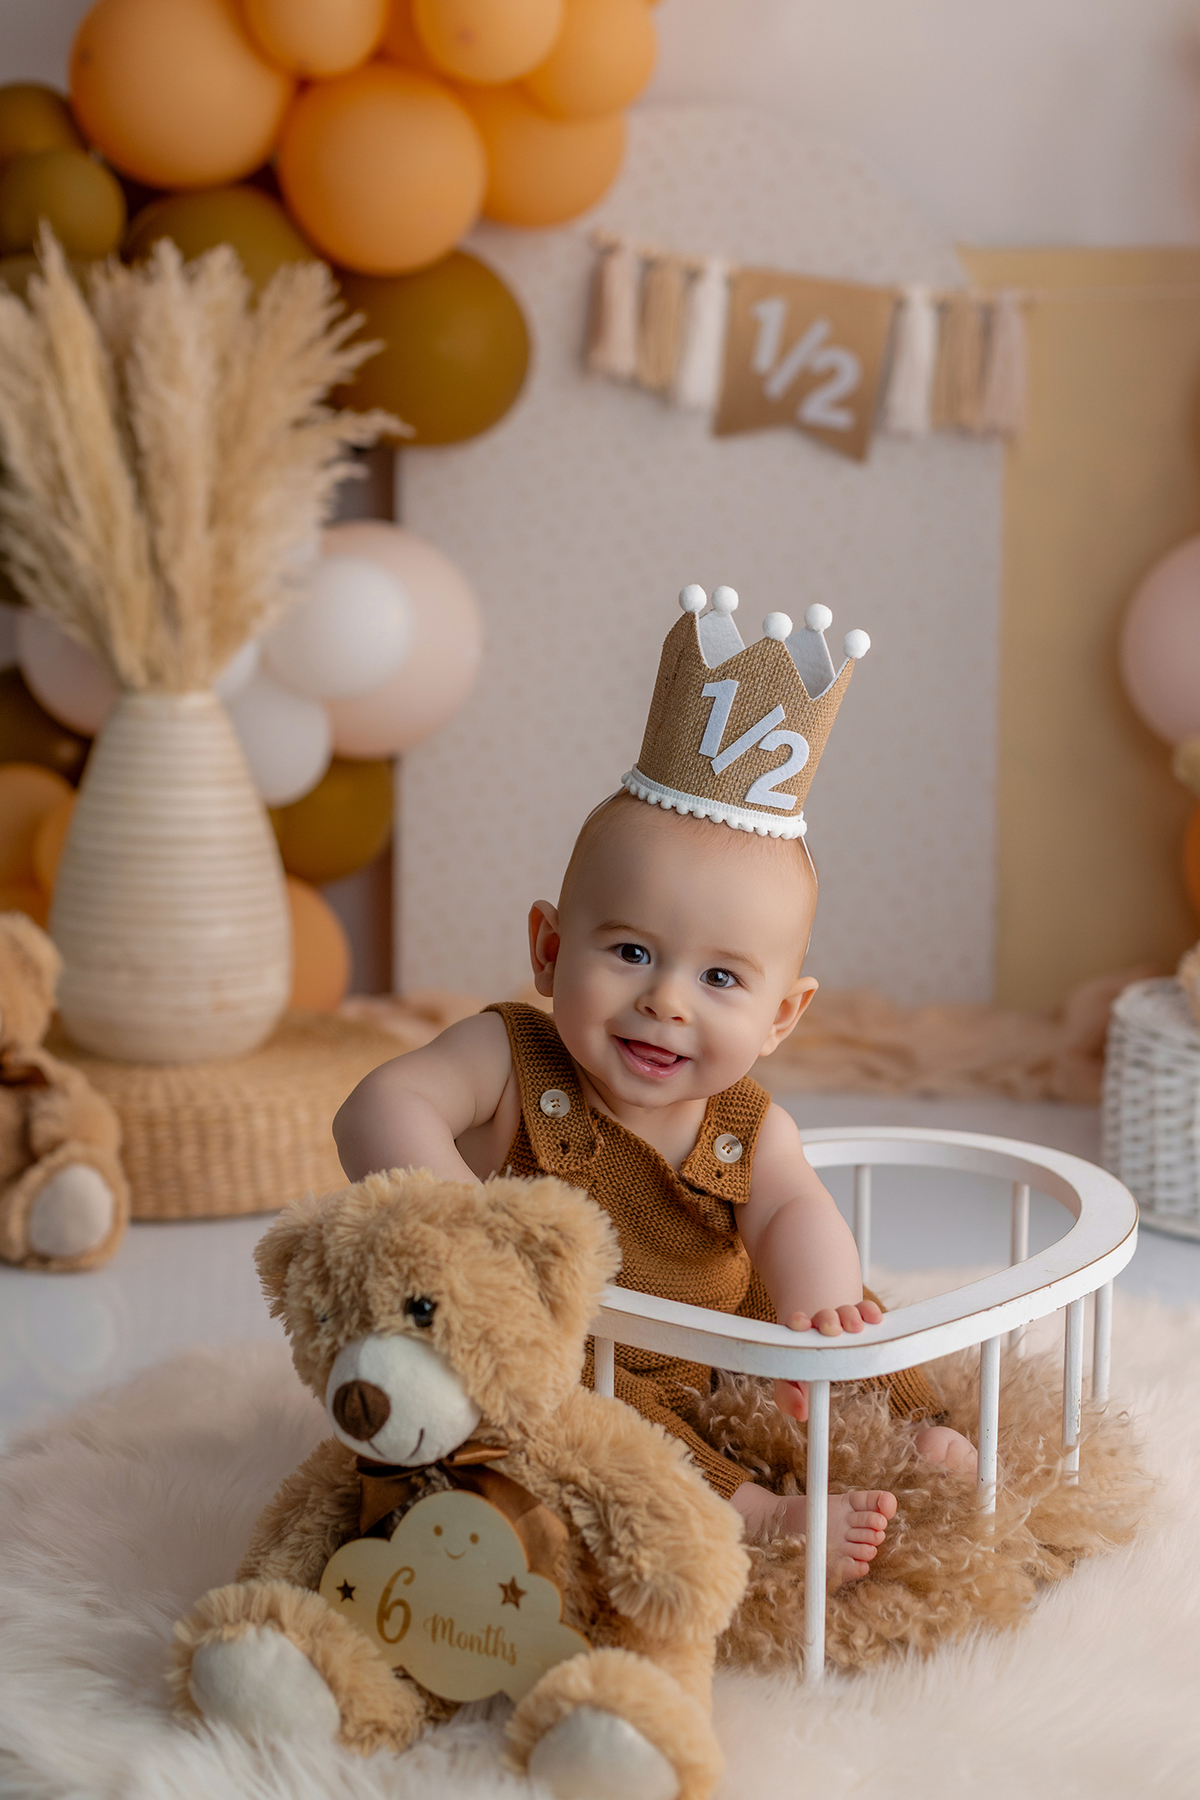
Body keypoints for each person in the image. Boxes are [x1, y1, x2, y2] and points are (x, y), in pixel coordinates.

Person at [334, 590, 978, 1588]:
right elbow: (377, 1106)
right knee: (586, 1425)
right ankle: (754, 1512)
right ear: (550, 949)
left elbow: (797, 1209)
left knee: (854, 1315)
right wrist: (460, 1232)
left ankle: (918, 1430)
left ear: (783, 1016)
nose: (665, 1003)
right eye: (630, 951)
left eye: (720, 978)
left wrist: (816, 1305)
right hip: (595, 1351)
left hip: (731, 1337)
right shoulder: (510, 1059)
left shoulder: (748, 1124)